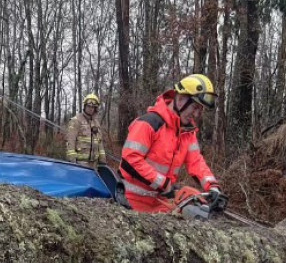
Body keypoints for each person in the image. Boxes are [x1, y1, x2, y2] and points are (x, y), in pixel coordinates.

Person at [119, 73, 223, 213]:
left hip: (161, 201)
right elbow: (130, 159)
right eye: (195, 108)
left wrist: (212, 186)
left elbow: (196, 162)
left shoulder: (187, 132)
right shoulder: (149, 123)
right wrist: (163, 183)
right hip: (130, 200)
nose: (197, 115)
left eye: (200, 110)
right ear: (180, 100)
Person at [65, 93, 107, 169]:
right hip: (80, 164)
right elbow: (71, 142)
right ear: (85, 106)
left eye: (93, 107)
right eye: (88, 106)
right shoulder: (76, 120)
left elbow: (100, 142)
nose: (91, 108)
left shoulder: (96, 123)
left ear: (95, 109)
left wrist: (102, 161)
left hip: (94, 164)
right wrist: (72, 163)